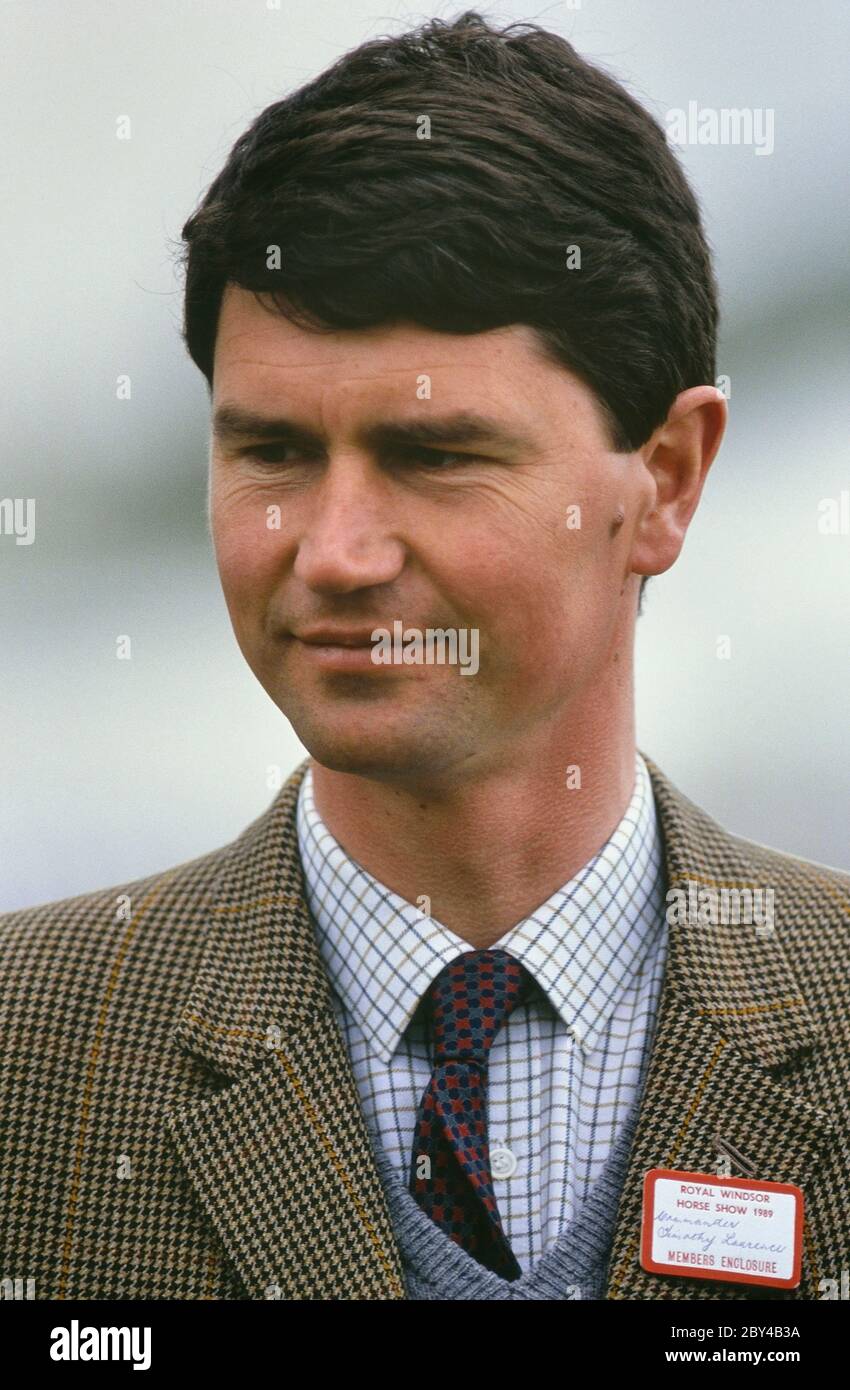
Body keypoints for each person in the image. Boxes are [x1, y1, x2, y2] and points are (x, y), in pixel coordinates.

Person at [1, 10, 847, 1302]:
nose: (332, 551)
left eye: (434, 456)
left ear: (664, 480)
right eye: (271, 452)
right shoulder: (29, 1053)